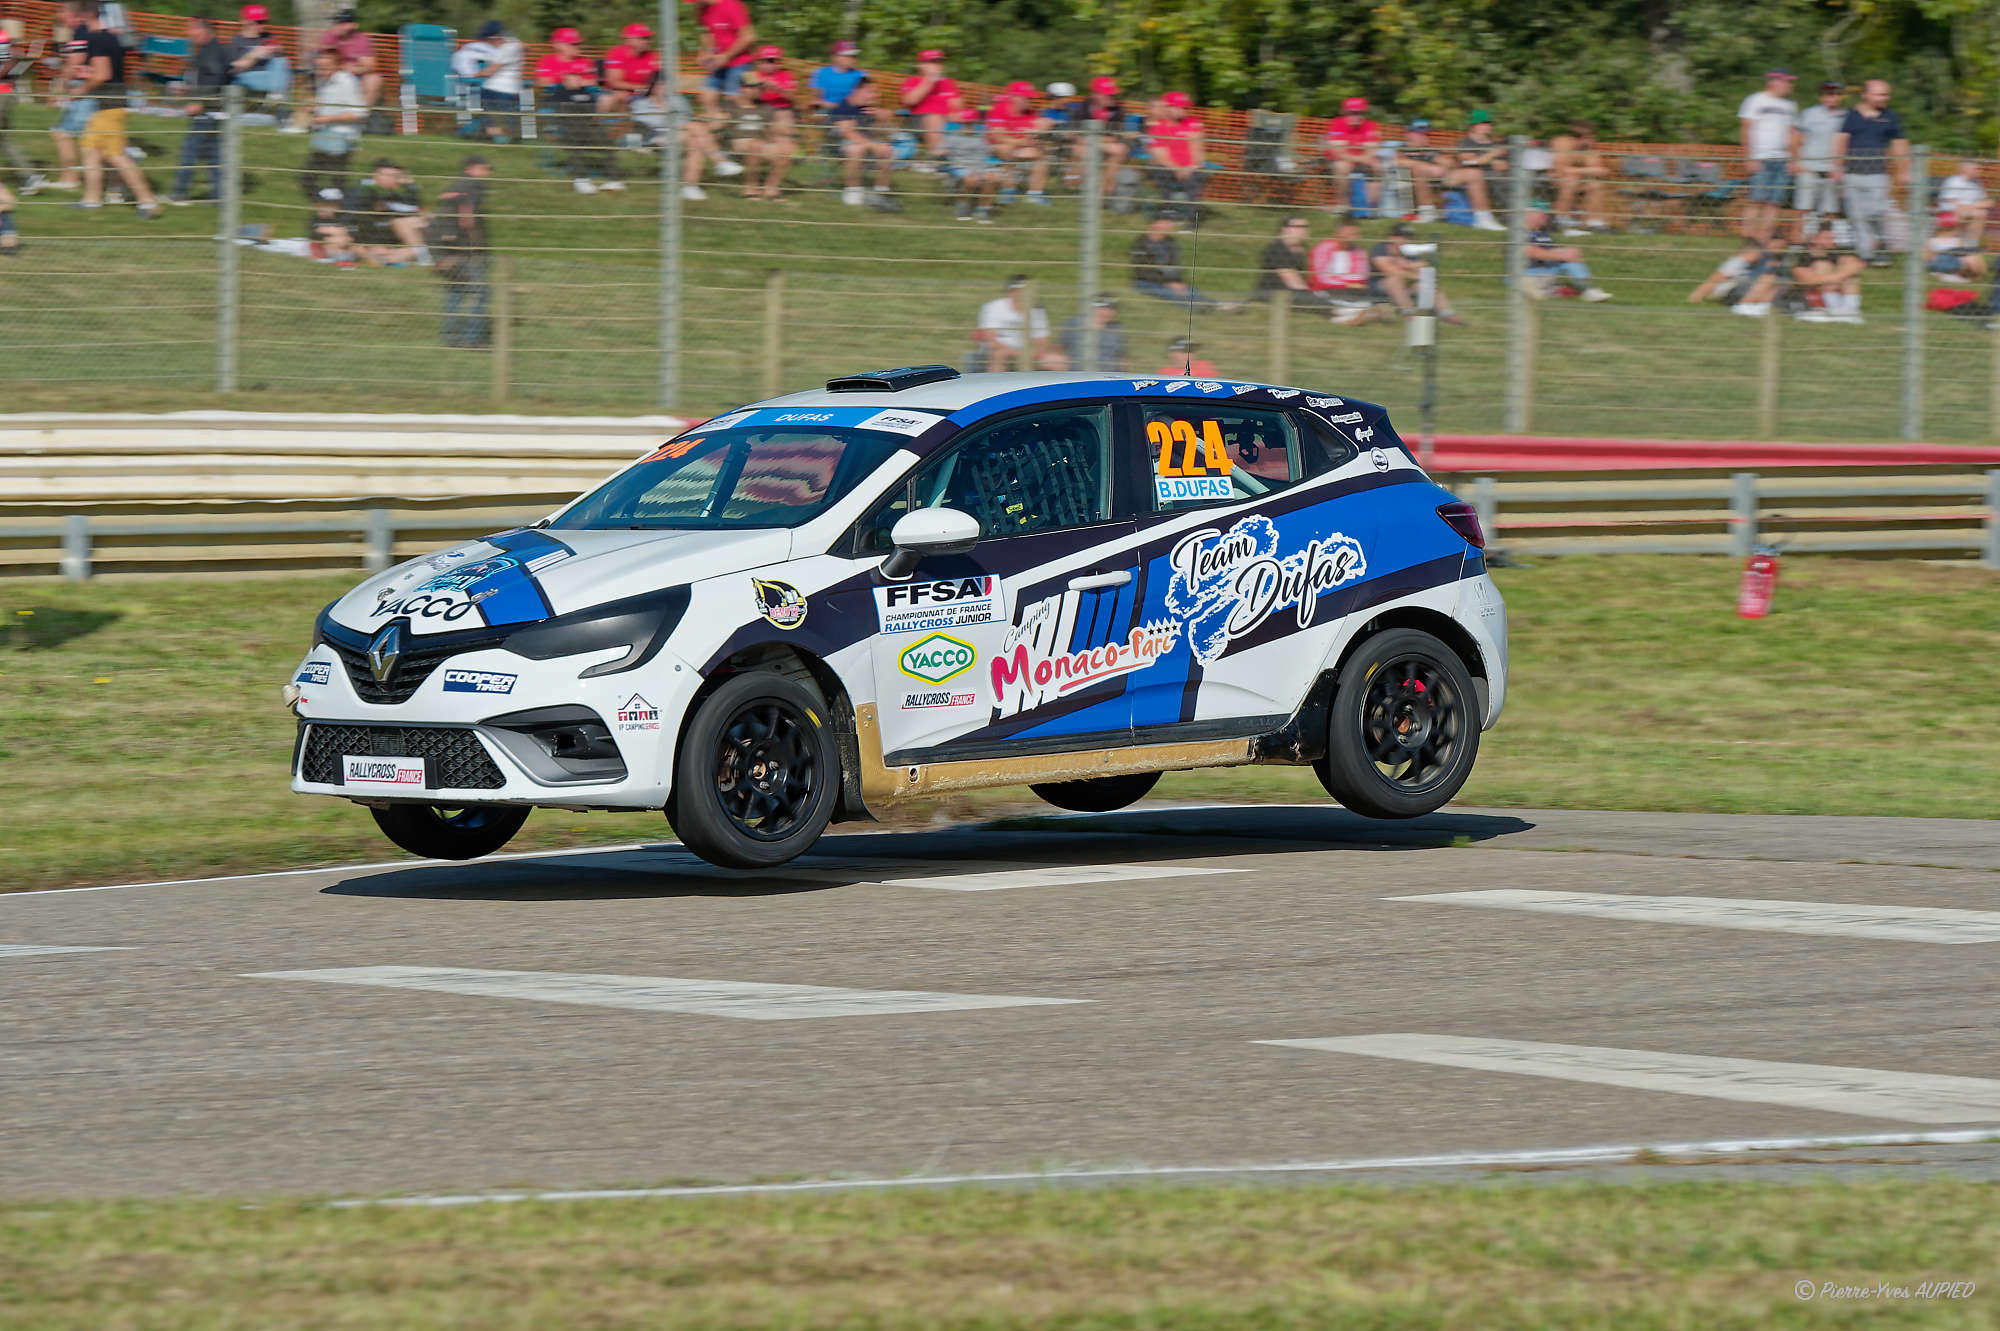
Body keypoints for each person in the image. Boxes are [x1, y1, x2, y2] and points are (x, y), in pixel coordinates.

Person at [60, 0, 160, 218]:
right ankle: (91, 200)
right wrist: (88, 73)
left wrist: (82, 89)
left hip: (110, 106)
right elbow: (108, 72)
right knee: (90, 149)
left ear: (86, 16)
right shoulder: (110, 37)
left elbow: (103, 74)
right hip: (109, 104)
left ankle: (149, 202)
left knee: (116, 156)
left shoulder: (96, 38)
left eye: (79, 17)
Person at [1831, 79, 1908, 266]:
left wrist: (1904, 170)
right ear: (1865, 95)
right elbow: (1841, 140)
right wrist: (1837, 167)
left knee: (1878, 212)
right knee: (1856, 215)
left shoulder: (1890, 117)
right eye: (1880, 94)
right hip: (1852, 173)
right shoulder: (1852, 115)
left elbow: (1900, 144)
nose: (1885, 98)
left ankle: (1881, 246)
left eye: (1886, 94)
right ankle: (1866, 254)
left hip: (1878, 174)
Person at [536, 27, 615, 194]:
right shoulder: (547, 61)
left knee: (601, 135)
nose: (577, 46)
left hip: (585, 106)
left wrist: (576, 80)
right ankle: (581, 178)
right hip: (560, 106)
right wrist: (567, 80)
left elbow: (592, 81)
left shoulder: (585, 61)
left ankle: (614, 178)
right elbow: (543, 82)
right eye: (572, 44)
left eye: (578, 43)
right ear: (557, 45)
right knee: (576, 132)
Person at [166, 15, 229, 205]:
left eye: (192, 29)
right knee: (213, 155)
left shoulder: (212, 51)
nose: (188, 33)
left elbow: (217, 80)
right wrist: (188, 90)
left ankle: (179, 193)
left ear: (204, 30)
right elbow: (208, 79)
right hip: (213, 112)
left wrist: (201, 103)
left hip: (207, 112)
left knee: (189, 151)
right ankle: (219, 196)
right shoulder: (208, 50)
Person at [435, 155, 493, 348]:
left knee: (456, 292)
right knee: (480, 293)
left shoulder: (454, 186)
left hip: (450, 248)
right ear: (472, 168)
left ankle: (449, 336)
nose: (489, 173)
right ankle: (472, 338)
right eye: (486, 168)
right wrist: (475, 249)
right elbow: (467, 219)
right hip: (466, 249)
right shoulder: (472, 187)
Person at [1738, 69, 1797, 243]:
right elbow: (1745, 128)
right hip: (1760, 158)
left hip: (1782, 159)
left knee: (1774, 202)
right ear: (1775, 82)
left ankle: (1763, 237)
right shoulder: (1755, 100)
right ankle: (1748, 237)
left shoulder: (1790, 105)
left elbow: (1791, 133)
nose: (1790, 86)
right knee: (1756, 199)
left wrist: (1792, 160)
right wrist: (1749, 157)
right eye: (1787, 81)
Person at [301, 48, 365, 202]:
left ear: (337, 66)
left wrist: (328, 118)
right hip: (325, 134)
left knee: (331, 180)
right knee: (309, 179)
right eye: (318, 67)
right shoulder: (323, 80)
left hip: (342, 136)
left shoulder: (347, 81)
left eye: (324, 68)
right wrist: (314, 109)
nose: (320, 71)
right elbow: (328, 107)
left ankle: (333, 208)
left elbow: (359, 114)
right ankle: (325, 206)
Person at [1129, 210, 1227, 310]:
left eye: (1171, 222)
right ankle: (1198, 309)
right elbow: (1142, 271)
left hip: (1168, 280)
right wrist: (1167, 283)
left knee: (1191, 291)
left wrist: (1177, 282)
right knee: (1170, 293)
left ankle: (1217, 305)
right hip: (1146, 281)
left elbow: (1175, 266)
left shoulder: (1171, 242)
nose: (1170, 225)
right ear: (1155, 223)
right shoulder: (1141, 243)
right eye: (1166, 222)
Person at [734, 45, 797, 201]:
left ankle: (771, 188)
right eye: (767, 61)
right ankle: (752, 187)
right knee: (766, 135)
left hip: (780, 113)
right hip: (759, 113)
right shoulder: (752, 75)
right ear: (759, 62)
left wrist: (777, 88)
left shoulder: (785, 75)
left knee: (786, 145)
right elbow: (744, 98)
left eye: (774, 61)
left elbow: (793, 98)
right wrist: (759, 90)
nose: (771, 64)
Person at [1371, 222, 1465, 322]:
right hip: (1380, 288)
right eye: (1402, 236)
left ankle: (1447, 314)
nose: (1406, 240)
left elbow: (1424, 270)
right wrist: (1413, 271)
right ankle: (1410, 314)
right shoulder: (1380, 248)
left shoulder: (1408, 252)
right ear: (1391, 238)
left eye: (1409, 237)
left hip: (1404, 287)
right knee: (1395, 280)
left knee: (1429, 282)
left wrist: (1413, 268)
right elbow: (1391, 271)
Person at [1789, 80, 1846, 241]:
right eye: (1827, 93)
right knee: (1802, 209)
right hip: (1808, 168)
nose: (1831, 96)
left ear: (1840, 96)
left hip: (1831, 171)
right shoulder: (1809, 113)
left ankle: (1824, 244)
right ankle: (1796, 244)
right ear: (1821, 96)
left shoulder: (1847, 116)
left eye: (1835, 93)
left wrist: (1840, 167)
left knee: (1829, 212)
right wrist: (1795, 161)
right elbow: (1795, 138)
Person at [972, 274, 1064, 371]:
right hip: (1002, 351)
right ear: (1010, 291)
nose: (1021, 294)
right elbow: (991, 340)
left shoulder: (1037, 310)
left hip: (1030, 352)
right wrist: (1017, 353)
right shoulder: (994, 307)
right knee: (999, 355)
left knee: (1059, 361)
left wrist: (1032, 353)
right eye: (1018, 290)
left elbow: (1042, 341)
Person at [828, 72, 895, 207]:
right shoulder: (842, 107)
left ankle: (880, 192)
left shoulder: (867, 108)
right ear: (857, 90)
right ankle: (853, 190)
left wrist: (880, 114)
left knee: (888, 149)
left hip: (865, 142)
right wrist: (873, 146)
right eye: (870, 91)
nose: (874, 95)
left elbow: (887, 120)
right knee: (856, 149)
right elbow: (848, 133)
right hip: (840, 144)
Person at [348, 157, 428, 265]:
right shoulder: (368, 188)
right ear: (378, 175)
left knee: (420, 218)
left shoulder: (384, 189)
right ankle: (421, 254)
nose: (398, 180)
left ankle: (419, 253)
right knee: (406, 221)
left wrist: (410, 187)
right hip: (368, 236)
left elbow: (412, 206)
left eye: (399, 176)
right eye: (395, 176)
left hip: (381, 232)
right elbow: (353, 220)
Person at [1255, 215, 1342, 315]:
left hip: (1295, 292)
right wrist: (1312, 295)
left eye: (1305, 227)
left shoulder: (1300, 249)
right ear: (1285, 229)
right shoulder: (1277, 249)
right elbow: (1293, 281)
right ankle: (1341, 312)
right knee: (1318, 301)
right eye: (1298, 227)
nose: (1303, 231)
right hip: (1276, 295)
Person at [1522, 209, 1611, 300]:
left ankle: (1587, 289)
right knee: (1568, 258)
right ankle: (1541, 289)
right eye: (1540, 213)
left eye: (1545, 214)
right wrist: (1564, 255)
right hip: (1530, 271)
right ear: (1528, 215)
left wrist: (1569, 251)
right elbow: (1532, 252)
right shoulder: (1521, 232)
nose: (1545, 216)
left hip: (1547, 269)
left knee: (1571, 259)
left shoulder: (1543, 233)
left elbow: (1552, 250)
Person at [987, 81, 1051, 205]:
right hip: (996, 146)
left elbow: (1034, 136)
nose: (1030, 100)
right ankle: (1008, 190)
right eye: (1026, 97)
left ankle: (1035, 193)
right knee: (1006, 149)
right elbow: (997, 137)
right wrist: (1021, 141)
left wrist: (1042, 128)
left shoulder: (1030, 112)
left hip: (1019, 147)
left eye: (1030, 97)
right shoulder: (999, 108)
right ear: (1015, 97)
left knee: (1042, 154)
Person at [691, 0, 757, 117]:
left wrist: (727, 55)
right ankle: (717, 130)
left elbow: (749, 37)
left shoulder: (731, 5)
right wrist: (706, 53)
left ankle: (748, 128)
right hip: (720, 63)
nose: (695, 4)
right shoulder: (705, 9)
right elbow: (710, 35)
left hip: (740, 61)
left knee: (733, 98)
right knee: (706, 98)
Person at [0, 25, 45, 195]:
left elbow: (10, 63)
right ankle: (29, 176)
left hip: (1, 93)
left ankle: (30, 176)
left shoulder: (1, 36)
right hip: (5, 93)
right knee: (4, 139)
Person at [1073, 76, 1132, 201]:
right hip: (1087, 145)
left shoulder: (1118, 110)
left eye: (1112, 94)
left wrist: (1093, 140)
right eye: (1107, 94)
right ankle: (1088, 188)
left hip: (1098, 143)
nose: (1111, 97)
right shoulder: (1082, 108)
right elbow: (1077, 136)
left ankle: (1102, 190)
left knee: (1121, 150)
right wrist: (1098, 140)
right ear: (1095, 95)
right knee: (1080, 150)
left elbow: (1114, 138)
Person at [1788, 228, 1864, 322]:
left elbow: (1858, 264)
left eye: (1832, 238)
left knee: (1851, 278)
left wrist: (1840, 275)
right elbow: (1809, 280)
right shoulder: (1803, 257)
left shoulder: (1834, 253)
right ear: (1814, 239)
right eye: (1827, 238)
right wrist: (1840, 275)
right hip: (1811, 298)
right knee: (1823, 267)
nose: (1833, 241)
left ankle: (1849, 311)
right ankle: (1840, 313)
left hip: (1834, 292)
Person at [1548, 120, 1610, 234]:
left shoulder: (1588, 149)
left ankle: (1595, 223)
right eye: (1591, 137)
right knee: (1571, 180)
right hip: (1553, 180)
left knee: (1595, 184)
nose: (1593, 140)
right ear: (1583, 137)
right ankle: (1560, 220)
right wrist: (1589, 170)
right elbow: (1561, 170)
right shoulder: (1562, 143)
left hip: (1578, 181)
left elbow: (1601, 170)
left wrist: (1589, 170)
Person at [1687, 238, 1778, 316]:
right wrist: (1697, 294)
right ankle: (1748, 307)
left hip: (1739, 290)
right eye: (1758, 253)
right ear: (1749, 251)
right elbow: (1716, 278)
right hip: (1730, 293)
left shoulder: (1750, 264)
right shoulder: (1737, 262)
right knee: (1768, 280)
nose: (1760, 256)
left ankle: (1759, 308)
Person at [1321, 95, 1380, 214]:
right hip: (1340, 160)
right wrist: (1361, 158)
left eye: (1360, 113)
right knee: (1342, 166)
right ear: (1345, 112)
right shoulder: (1337, 123)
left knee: (1377, 166)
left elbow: (1372, 150)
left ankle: (1372, 208)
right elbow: (1339, 152)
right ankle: (1343, 205)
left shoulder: (1371, 125)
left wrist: (1365, 159)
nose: (1356, 116)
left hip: (1360, 160)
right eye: (1352, 113)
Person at [940, 105, 1000, 221]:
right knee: (971, 179)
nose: (968, 127)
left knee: (992, 178)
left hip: (979, 165)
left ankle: (983, 209)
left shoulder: (980, 138)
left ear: (974, 123)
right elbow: (941, 150)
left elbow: (987, 153)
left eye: (970, 123)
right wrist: (942, 153)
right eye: (965, 124)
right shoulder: (952, 137)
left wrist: (993, 149)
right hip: (959, 165)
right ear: (960, 124)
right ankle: (963, 205)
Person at [225, 4, 291, 108]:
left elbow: (281, 63)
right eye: (259, 22)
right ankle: (277, 101)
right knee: (281, 81)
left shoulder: (269, 37)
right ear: (246, 22)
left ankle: (275, 98)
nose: (263, 25)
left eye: (264, 22)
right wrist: (254, 55)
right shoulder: (236, 41)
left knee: (281, 61)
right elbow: (231, 69)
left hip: (270, 77)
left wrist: (278, 51)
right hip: (246, 78)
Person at [466, 20, 522, 142]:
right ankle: (492, 131)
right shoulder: (512, 44)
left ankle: (494, 132)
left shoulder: (508, 48)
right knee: (485, 107)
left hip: (502, 90)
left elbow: (491, 70)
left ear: (495, 37)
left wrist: (473, 74)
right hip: (499, 88)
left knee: (478, 100)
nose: (488, 43)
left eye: (488, 40)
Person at [1452, 111, 1508, 230]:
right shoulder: (1466, 142)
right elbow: (1467, 162)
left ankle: (1520, 218)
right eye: (1483, 123)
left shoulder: (1494, 143)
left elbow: (1503, 166)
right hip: (1466, 177)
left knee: (1507, 180)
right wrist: (1491, 156)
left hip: (1493, 176)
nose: (1488, 126)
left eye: (1489, 123)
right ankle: (1484, 219)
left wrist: (1483, 159)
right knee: (1476, 174)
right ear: (1474, 125)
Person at [898, 49, 959, 158]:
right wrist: (929, 81)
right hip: (917, 122)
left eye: (939, 62)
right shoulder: (913, 80)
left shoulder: (947, 82)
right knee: (933, 116)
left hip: (946, 121)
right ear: (921, 65)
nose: (937, 65)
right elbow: (908, 101)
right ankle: (938, 155)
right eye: (933, 62)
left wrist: (950, 113)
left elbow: (956, 106)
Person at [1146, 91, 1204, 205]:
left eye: (1185, 108)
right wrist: (1177, 169)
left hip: (1190, 169)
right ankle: (1166, 213)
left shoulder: (1194, 123)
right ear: (1169, 108)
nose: (1184, 110)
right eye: (1181, 107)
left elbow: (1197, 151)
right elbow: (1161, 156)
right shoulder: (1158, 128)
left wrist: (1191, 167)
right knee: (1160, 171)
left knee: (1197, 178)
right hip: (1169, 169)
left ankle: (1194, 219)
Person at [316, 7, 378, 109]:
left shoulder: (362, 40)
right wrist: (340, 67)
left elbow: (371, 66)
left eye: (344, 22)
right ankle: (321, 107)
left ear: (354, 25)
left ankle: (363, 113)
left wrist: (352, 69)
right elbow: (322, 60)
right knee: (321, 72)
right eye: (338, 22)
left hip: (355, 75)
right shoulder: (329, 36)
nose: (339, 25)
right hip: (333, 73)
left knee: (374, 79)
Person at [1395, 120, 1453, 224]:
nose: (1427, 138)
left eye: (1428, 134)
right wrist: (1429, 168)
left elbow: (1447, 163)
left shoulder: (1429, 150)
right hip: (1408, 187)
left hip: (1431, 184)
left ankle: (1443, 210)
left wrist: (1445, 166)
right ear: (1410, 134)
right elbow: (1399, 162)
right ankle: (1427, 212)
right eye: (1423, 134)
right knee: (1418, 171)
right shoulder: (1403, 149)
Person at [600, 23, 657, 120]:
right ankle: (597, 129)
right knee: (613, 98)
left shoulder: (653, 55)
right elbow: (614, 83)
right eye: (644, 38)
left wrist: (649, 90)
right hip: (620, 94)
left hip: (645, 95)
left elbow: (658, 79)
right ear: (630, 40)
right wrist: (642, 87)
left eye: (648, 38)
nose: (648, 41)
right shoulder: (617, 53)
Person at [1061, 292, 1127, 371]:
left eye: (1111, 309)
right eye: (1103, 308)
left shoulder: (1116, 329)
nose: (1107, 312)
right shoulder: (1074, 324)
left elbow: (1122, 359)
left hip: (1108, 376)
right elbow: (1059, 348)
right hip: (1077, 373)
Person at [1936, 160, 1990, 246]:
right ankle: (1964, 246)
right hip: (1949, 213)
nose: (1980, 171)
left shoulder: (1977, 183)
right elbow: (1955, 206)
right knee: (1977, 213)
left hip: (1967, 213)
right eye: (1977, 168)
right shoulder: (1954, 181)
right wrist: (1976, 206)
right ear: (1966, 169)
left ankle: (1970, 246)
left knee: (1981, 213)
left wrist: (1969, 207)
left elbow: (1988, 203)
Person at [1925, 215, 1988, 285]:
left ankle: (1973, 275)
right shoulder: (1932, 241)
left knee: (1973, 256)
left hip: (1957, 265)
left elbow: (1966, 252)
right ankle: (1973, 275)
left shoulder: (1957, 240)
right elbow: (1928, 259)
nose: (1956, 230)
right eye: (1953, 228)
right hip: (1945, 264)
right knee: (1971, 256)